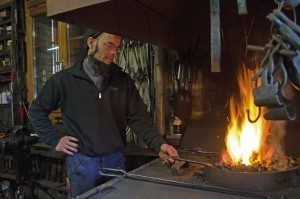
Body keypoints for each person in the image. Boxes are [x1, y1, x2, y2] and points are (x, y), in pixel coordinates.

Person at [28, 29, 179, 197]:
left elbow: (138, 119)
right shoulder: (64, 80)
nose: (114, 52)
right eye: (109, 45)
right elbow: (36, 110)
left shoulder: (123, 81)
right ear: (91, 43)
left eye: (117, 47)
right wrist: (54, 139)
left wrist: (160, 144)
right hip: (82, 162)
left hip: (115, 161)